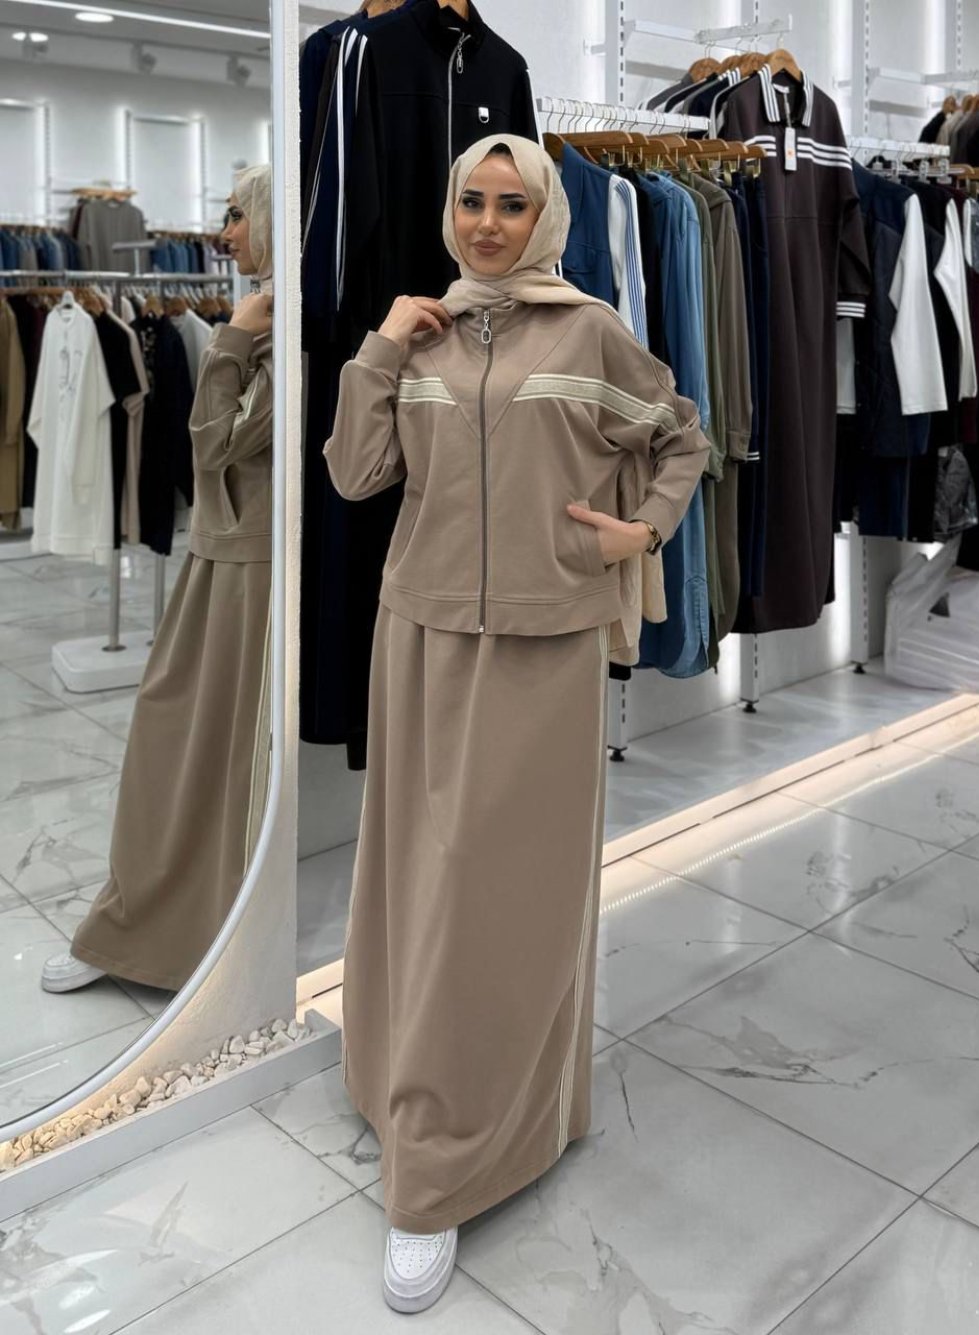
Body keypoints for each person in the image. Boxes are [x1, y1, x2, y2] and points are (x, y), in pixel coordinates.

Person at [324, 133, 710, 1314]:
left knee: (513, 898)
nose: (488, 224)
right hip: (421, 634)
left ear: (545, 218)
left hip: (546, 645)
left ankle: (448, 1164)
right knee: (414, 881)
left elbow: (682, 435)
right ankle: (402, 1087)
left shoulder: (589, 331)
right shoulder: (423, 335)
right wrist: (380, 347)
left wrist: (643, 530)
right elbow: (354, 474)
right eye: (471, 203)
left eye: (510, 205)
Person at [42, 165, 274, 996]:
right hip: (226, 552)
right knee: (182, 741)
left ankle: (171, 936)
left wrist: (234, 339)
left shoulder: (275, 324)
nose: (225, 233)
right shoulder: (265, 312)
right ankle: (145, 924)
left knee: (198, 751)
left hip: (247, 564)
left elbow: (209, 442)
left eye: (239, 215)